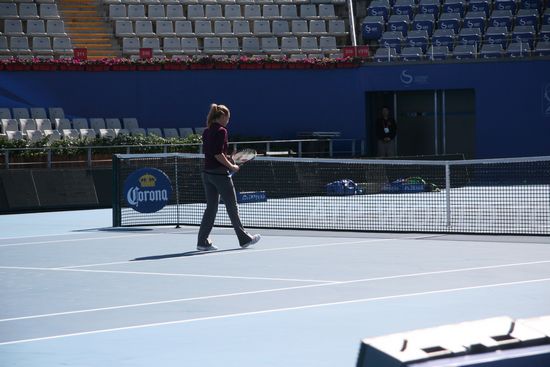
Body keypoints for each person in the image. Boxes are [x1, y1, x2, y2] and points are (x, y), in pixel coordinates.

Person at [196, 103, 261, 251]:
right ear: (222, 116)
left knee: (211, 208)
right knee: (232, 208)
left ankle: (202, 241)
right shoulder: (221, 131)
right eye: (228, 117)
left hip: (207, 174)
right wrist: (232, 167)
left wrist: (229, 160)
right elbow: (217, 154)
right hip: (219, 175)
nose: (228, 120)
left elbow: (214, 153)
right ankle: (244, 239)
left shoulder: (206, 132)